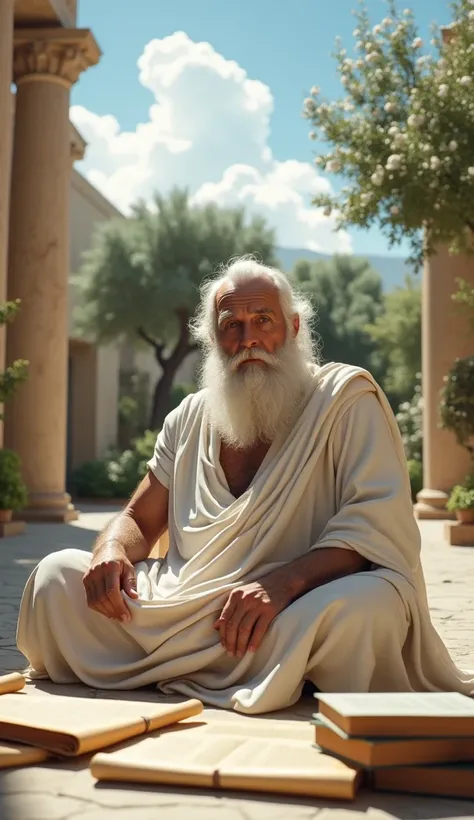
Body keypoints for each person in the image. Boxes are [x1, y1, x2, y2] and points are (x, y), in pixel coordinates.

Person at [17, 257, 473, 713]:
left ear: (293, 327)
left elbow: (373, 526)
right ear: (212, 338)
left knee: (370, 608)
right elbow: (139, 517)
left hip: (294, 608)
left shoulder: (345, 401)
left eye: (263, 321)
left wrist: (282, 585)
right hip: (187, 606)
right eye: (231, 324)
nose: (248, 338)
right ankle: (265, 672)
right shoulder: (190, 416)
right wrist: (110, 551)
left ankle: (174, 666)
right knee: (57, 576)